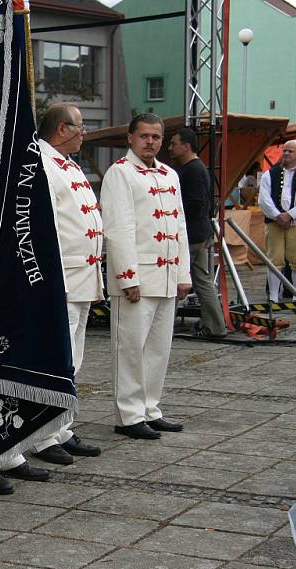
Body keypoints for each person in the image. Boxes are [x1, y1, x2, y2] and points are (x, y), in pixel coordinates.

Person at [101, 113, 191, 440]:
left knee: (158, 350)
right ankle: (128, 414)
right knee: (130, 348)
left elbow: (179, 226)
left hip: (167, 275)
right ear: (130, 137)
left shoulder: (170, 174)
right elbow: (118, 228)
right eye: (144, 136)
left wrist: (183, 274)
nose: (150, 142)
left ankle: (150, 407)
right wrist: (127, 278)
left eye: (155, 136)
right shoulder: (120, 173)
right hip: (138, 275)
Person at [26, 102, 103, 464]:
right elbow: (42, 228)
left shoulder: (66, 162)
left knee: (74, 360)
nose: (83, 132)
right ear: (61, 130)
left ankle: (62, 427)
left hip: (83, 277)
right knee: (56, 361)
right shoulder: (42, 162)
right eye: (80, 126)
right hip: (62, 279)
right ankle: (43, 435)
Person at [168, 127, 226, 338]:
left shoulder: (192, 170)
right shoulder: (197, 168)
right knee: (203, 281)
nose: (170, 147)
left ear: (186, 146)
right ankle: (216, 327)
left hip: (191, 235)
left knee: (174, 279)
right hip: (200, 232)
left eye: (174, 143)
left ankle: (164, 327)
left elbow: (196, 204)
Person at [257, 140, 296, 302]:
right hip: (274, 223)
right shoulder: (270, 174)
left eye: (290, 151)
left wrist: (290, 215)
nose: (285, 154)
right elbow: (264, 199)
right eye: (284, 151)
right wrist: (277, 215)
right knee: (274, 259)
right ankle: (274, 297)